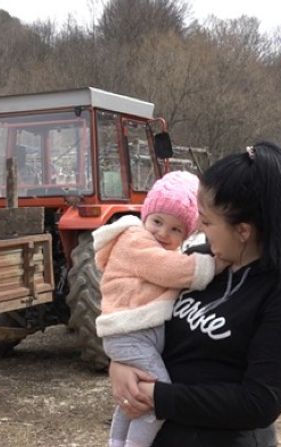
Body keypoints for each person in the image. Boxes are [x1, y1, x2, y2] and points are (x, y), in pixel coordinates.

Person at [109, 142, 281, 447]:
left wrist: (157, 396)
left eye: (207, 222)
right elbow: (142, 320)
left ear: (243, 231)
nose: (199, 229)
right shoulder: (196, 264)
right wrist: (120, 364)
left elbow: (259, 403)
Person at [93, 171, 220, 447]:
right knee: (156, 397)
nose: (163, 233)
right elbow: (170, 270)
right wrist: (212, 265)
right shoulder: (135, 241)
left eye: (176, 229)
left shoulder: (157, 246)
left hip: (136, 334)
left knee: (135, 396)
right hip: (130, 333)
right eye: (158, 222)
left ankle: (116, 442)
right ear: (145, 216)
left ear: (188, 233)